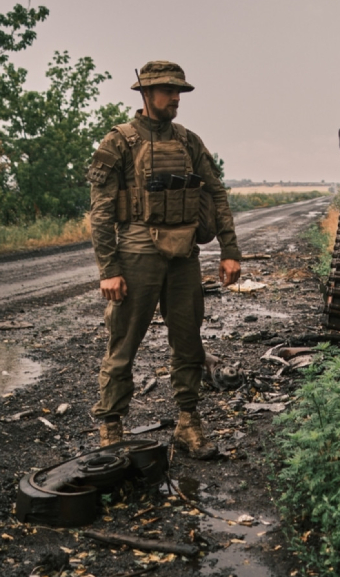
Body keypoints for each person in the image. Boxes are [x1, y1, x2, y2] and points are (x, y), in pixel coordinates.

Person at [86, 60, 241, 458]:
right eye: (169, 91)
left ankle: (188, 425)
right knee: (123, 345)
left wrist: (229, 251)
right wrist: (110, 270)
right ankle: (111, 429)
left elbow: (217, 192)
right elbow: (101, 212)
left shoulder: (189, 141)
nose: (176, 98)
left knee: (189, 342)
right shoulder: (119, 142)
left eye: (179, 91)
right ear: (145, 93)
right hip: (137, 254)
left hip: (185, 255)